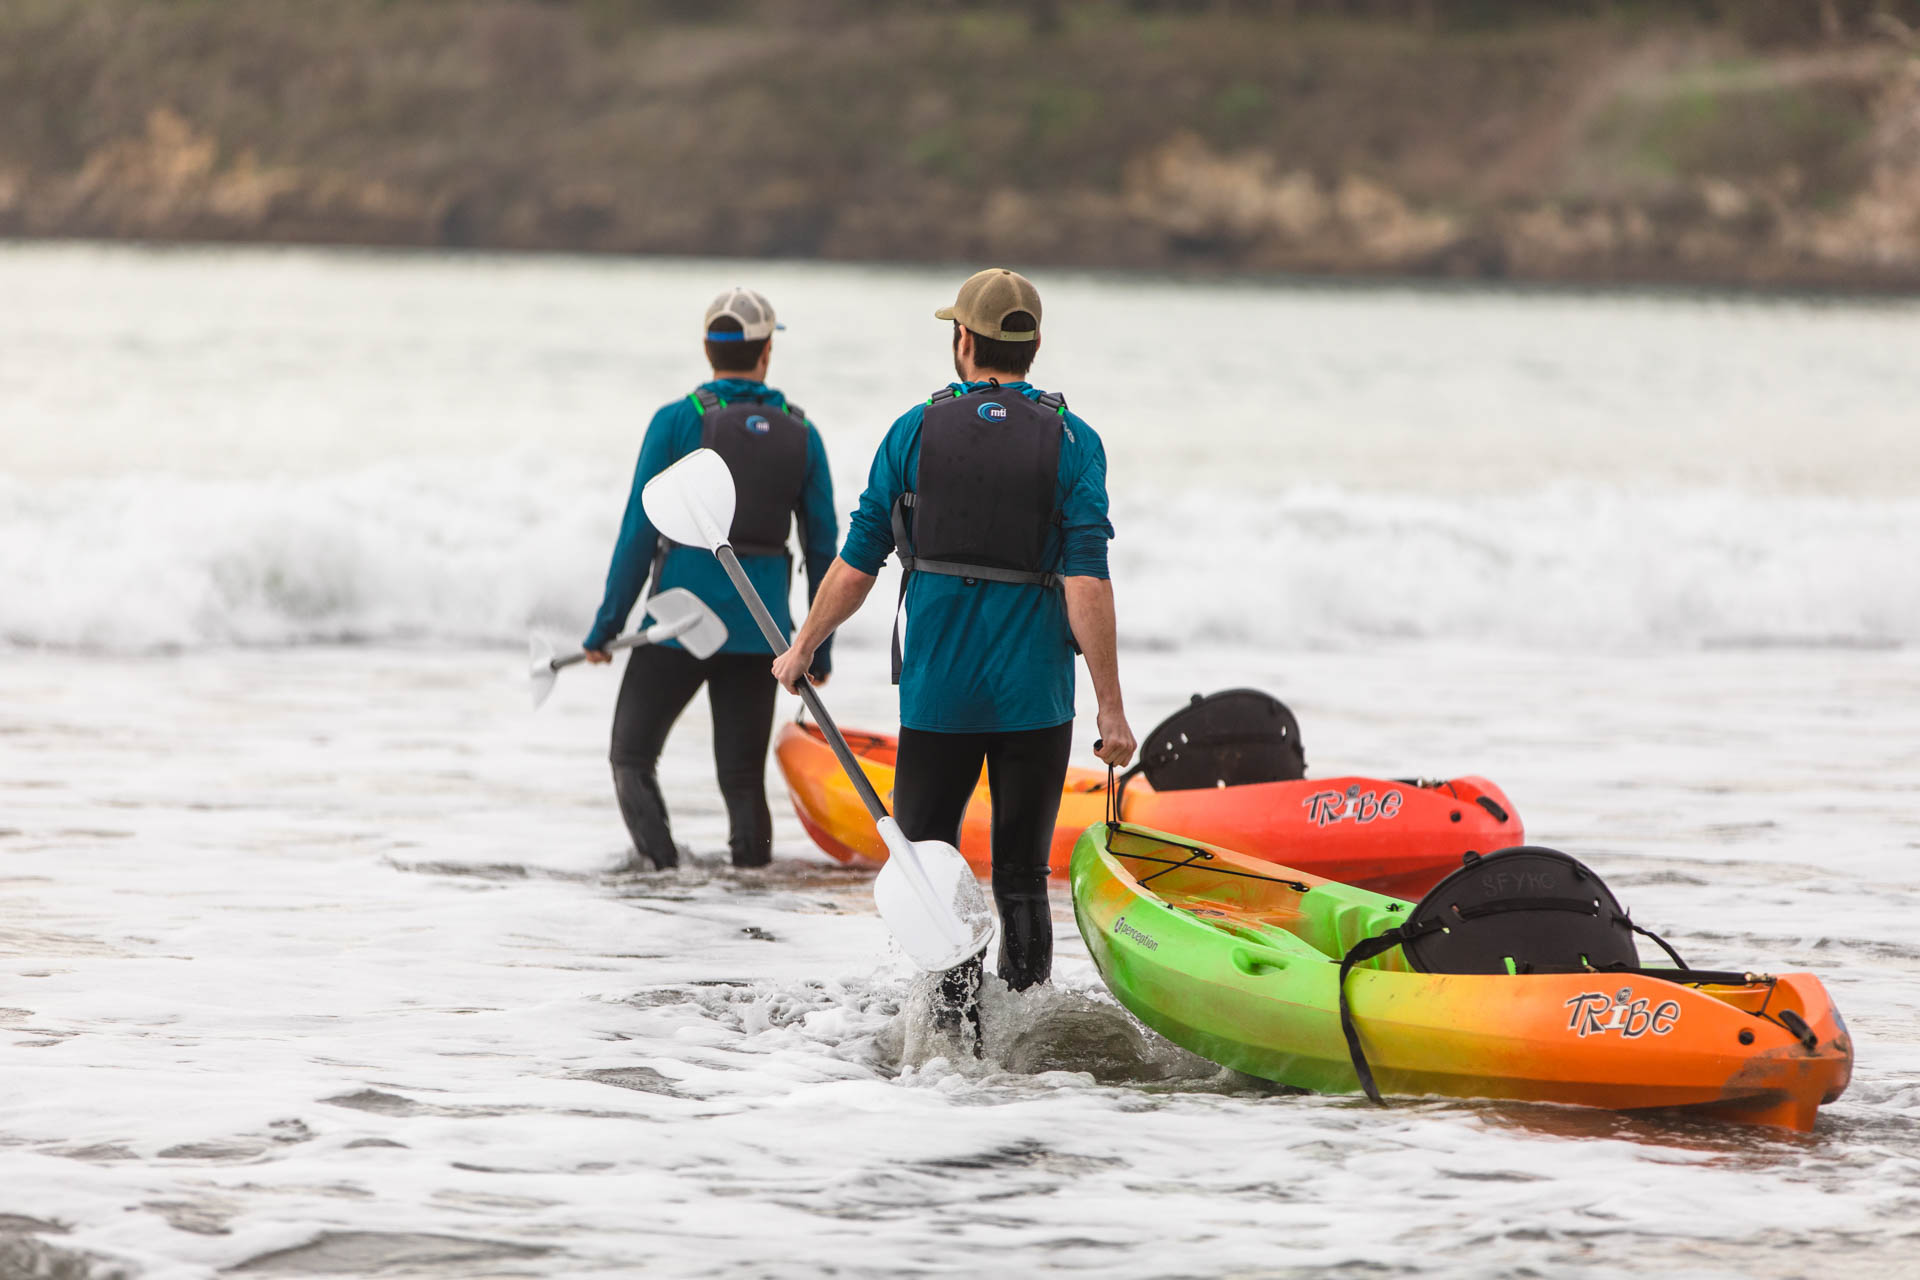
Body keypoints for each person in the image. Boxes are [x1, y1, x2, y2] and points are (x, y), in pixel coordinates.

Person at [770, 267, 1135, 1021]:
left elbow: (857, 561)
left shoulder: (915, 430)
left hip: (939, 694)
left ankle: (946, 1036)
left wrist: (804, 646)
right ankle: (1025, 1041)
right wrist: (1111, 710)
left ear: (964, 340)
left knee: (929, 872)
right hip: (1035, 695)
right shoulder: (1075, 440)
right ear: (1033, 343)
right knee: (1024, 875)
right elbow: (1087, 583)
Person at [584, 288, 837, 871]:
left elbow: (636, 536)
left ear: (707, 348)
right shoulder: (803, 434)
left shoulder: (677, 422)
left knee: (631, 757)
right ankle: (749, 895)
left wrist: (605, 628)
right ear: (766, 352)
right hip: (763, 636)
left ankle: (663, 875)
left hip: (677, 624)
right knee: (743, 778)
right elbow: (824, 548)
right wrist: (814, 646)